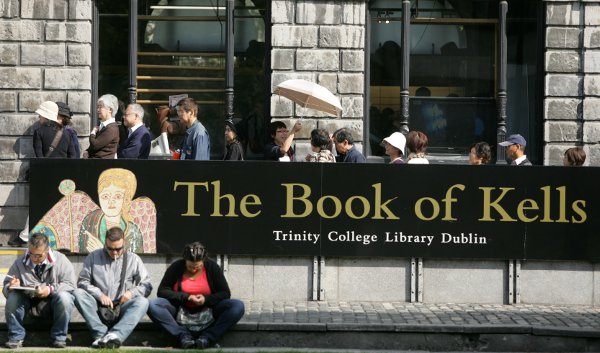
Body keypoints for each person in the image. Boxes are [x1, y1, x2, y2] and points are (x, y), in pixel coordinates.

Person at [147, 242, 244, 349]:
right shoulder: (176, 267)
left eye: (198, 267)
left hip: (208, 309)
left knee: (237, 306)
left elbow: (225, 293)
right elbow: (162, 291)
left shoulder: (212, 268)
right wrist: (186, 297)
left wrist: (206, 299)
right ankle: (182, 336)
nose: (193, 269)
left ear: (204, 261)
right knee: (153, 305)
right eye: (190, 266)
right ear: (185, 261)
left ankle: (207, 338)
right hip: (180, 309)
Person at [74, 227, 152, 349]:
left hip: (121, 306)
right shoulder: (93, 257)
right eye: (110, 249)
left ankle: (115, 335)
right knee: (78, 293)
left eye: (118, 249)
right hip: (98, 306)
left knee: (143, 302)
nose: (114, 252)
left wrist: (131, 293)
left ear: (124, 243)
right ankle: (101, 335)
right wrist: (99, 295)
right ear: (105, 243)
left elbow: (147, 285)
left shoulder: (133, 259)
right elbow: (82, 281)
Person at [2, 233, 76, 349]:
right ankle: (16, 337)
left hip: (53, 302)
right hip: (28, 302)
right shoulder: (19, 262)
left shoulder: (61, 260)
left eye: (38, 255)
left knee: (65, 298)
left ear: (47, 251)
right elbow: (6, 286)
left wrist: (50, 289)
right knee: (13, 297)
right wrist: (11, 286)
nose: (34, 258)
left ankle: (59, 337)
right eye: (31, 254)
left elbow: (70, 284)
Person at [78, 168, 145, 253]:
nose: (111, 202)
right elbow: (83, 252)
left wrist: (101, 250)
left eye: (117, 196)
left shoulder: (133, 231)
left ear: (126, 199)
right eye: (105, 196)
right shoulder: (90, 222)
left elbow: (134, 259)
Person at [86, 94, 120, 159]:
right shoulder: (105, 126)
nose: (98, 110)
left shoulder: (112, 128)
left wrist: (93, 133)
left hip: (103, 166)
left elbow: (95, 145)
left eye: (100, 107)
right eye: (98, 107)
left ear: (110, 110)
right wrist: (87, 151)